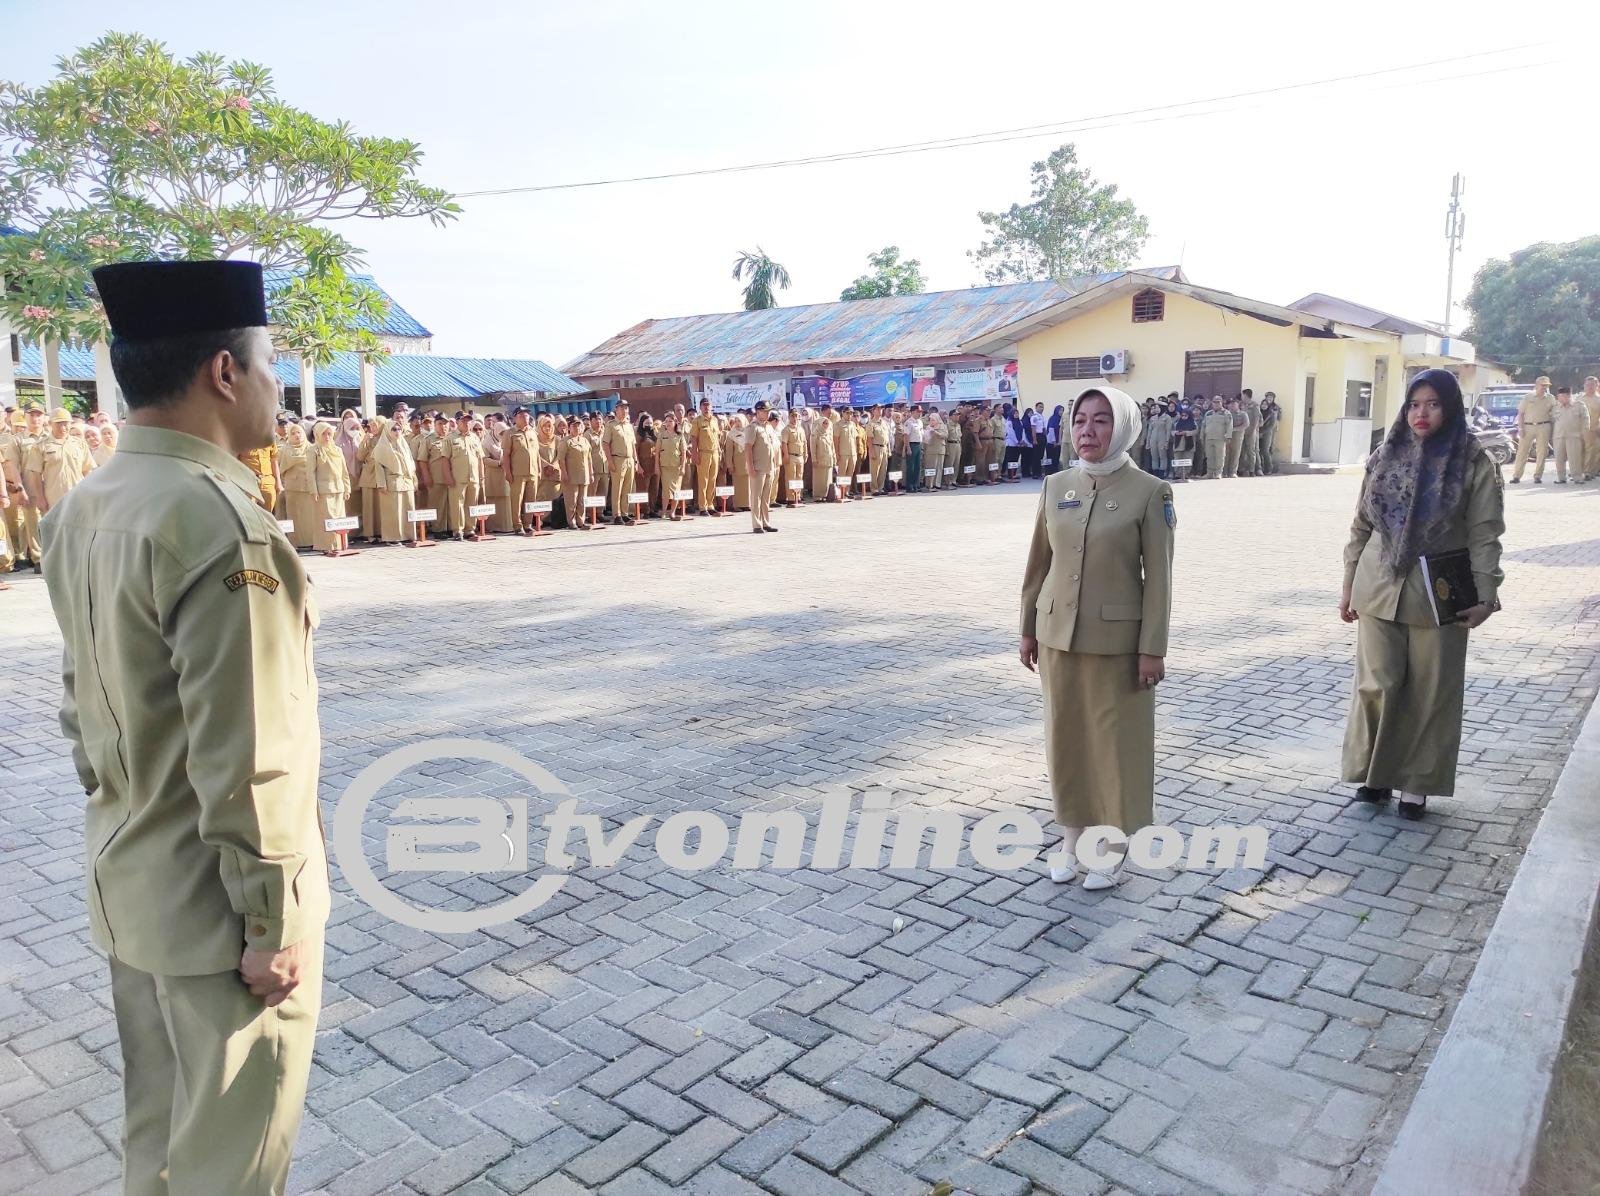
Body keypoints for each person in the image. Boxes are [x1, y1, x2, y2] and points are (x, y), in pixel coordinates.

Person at [41, 259, 328, 1194]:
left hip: (136, 885)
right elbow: (250, 753)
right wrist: (272, 917)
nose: (279, 387)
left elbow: (83, 708)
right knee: (231, 1164)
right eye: (270, 362)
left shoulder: (86, 506)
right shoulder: (215, 523)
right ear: (223, 372)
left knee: (160, 1146)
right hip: (219, 922)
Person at [1019, 383, 1174, 890]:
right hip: (1057, 636)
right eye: (1081, 420)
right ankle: (1071, 839)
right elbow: (1038, 565)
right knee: (1066, 742)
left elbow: (1160, 579)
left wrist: (1152, 648)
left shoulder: (1150, 492)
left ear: (1124, 426)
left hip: (1118, 646)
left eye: (1101, 420)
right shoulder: (1056, 484)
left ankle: (1110, 847)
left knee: (1115, 745)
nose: (1088, 430)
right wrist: (1027, 630)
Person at [1340, 369, 1504, 819]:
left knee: (1433, 691)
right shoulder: (1384, 455)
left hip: (1441, 593)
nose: (1421, 413)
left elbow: (1485, 533)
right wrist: (1348, 584)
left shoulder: (1473, 462)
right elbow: (1361, 525)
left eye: (1432, 403)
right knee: (1377, 685)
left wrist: (1487, 595)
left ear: (1450, 407)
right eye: (1414, 403)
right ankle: (1374, 777)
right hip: (1377, 587)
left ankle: (1417, 784)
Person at [25, 407, 96, 514]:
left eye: (66, 423)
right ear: (50, 424)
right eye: (58, 423)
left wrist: (90, 492)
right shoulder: (40, 446)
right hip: (53, 498)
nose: (63, 427)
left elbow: (87, 470)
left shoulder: (79, 444)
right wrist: (40, 498)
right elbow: (36, 475)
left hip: (78, 496)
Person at [371, 416, 417, 543]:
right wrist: (381, 484)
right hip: (391, 483)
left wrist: (414, 480)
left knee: (407, 509)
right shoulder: (381, 447)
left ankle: (408, 535)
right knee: (393, 511)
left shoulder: (403, 445)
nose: (397, 432)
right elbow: (378, 467)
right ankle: (393, 537)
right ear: (387, 431)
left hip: (406, 482)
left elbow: (411, 464)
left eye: (399, 429)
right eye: (394, 429)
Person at [309, 420, 352, 555]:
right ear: (317, 435)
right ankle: (325, 544)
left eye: (329, 434)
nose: (327, 437)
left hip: (338, 488)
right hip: (323, 489)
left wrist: (347, 488)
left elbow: (344, 471)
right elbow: (311, 472)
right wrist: (313, 490)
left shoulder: (337, 449)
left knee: (338, 517)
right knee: (326, 518)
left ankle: (338, 544)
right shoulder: (313, 450)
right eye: (324, 434)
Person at [1509, 375, 1556, 484]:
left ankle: (1538, 476)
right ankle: (1517, 476)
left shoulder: (1550, 398)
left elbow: (1554, 412)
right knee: (1522, 452)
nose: (1544, 387)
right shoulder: (1528, 397)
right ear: (1536, 385)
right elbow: (1520, 413)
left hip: (1544, 426)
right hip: (1528, 426)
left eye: (1546, 386)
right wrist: (1520, 428)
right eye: (1542, 385)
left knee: (1542, 452)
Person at [278, 421, 316, 549]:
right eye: (293, 433)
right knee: (294, 516)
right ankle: (296, 542)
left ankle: (311, 541)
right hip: (292, 487)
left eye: (299, 432)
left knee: (309, 516)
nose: (297, 435)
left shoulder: (310, 447)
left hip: (308, 487)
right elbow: (281, 467)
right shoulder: (284, 449)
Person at [746, 406, 782, 533]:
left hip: (769, 467)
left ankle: (766, 522)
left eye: (768, 411)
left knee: (766, 497)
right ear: (758, 412)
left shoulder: (768, 427)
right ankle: (757, 524)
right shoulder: (753, 427)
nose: (767, 413)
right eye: (765, 411)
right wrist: (750, 467)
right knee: (756, 497)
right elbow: (748, 448)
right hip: (758, 467)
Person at [504, 407, 539, 534]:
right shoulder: (510, 433)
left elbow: (536, 453)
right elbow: (506, 455)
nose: (525, 418)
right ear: (515, 418)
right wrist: (507, 472)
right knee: (517, 500)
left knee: (531, 499)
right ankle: (517, 525)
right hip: (517, 473)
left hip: (533, 472)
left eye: (527, 416)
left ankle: (528, 523)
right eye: (522, 416)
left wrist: (538, 470)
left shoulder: (533, 432)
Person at [606, 399, 639, 524]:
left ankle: (624, 512)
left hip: (629, 459)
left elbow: (633, 445)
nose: (624, 410)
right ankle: (617, 514)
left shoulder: (629, 426)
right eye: (621, 408)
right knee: (617, 488)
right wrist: (610, 461)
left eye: (626, 408)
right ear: (616, 409)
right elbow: (605, 444)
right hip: (617, 458)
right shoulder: (611, 425)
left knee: (627, 487)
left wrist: (636, 462)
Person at [560, 414, 595, 530]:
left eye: (579, 426)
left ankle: (581, 521)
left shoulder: (584, 440)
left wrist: (591, 473)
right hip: (571, 475)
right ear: (569, 427)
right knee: (572, 500)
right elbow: (561, 459)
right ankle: (571, 521)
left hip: (584, 475)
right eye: (574, 426)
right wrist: (564, 473)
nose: (577, 428)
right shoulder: (565, 441)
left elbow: (589, 457)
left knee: (582, 500)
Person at [1551, 386, 1590, 483]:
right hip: (1558, 436)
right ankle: (1561, 478)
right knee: (1559, 458)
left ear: (1568, 396)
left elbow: (1586, 419)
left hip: (1574, 436)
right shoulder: (1555, 407)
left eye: (1561, 397)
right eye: (1558, 397)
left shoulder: (1579, 405)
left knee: (1575, 458)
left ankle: (1577, 477)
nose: (1559, 399)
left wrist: (1584, 432)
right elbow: (1552, 421)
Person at [691, 399, 721, 515]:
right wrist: (694, 454)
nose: (706, 408)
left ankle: (710, 504)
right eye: (704, 406)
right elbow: (694, 439)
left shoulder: (714, 420)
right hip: (703, 453)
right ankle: (702, 506)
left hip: (714, 453)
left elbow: (716, 437)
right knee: (703, 480)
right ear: (700, 407)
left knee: (712, 480)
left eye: (708, 405)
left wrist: (719, 452)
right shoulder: (697, 421)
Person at [657, 412, 687, 520]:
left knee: (676, 490)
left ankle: (672, 512)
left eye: (671, 421)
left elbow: (683, 452)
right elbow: (657, 452)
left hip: (676, 466)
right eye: (667, 421)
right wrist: (657, 466)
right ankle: (664, 511)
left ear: (675, 422)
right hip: (665, 466)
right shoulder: (661, 435)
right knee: (666, 490)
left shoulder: (680, 435)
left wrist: (683, 467)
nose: (668, 423)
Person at [810, 406, 839, 501]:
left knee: (827, 479)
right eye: (824, 423)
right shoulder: (815, 433)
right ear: (820, 423)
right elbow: (813, 448)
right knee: (819, 479)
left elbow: (832, 447)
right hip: (819, 460)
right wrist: (814, 459)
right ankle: (818, 496)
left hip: (828, 459)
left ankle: (826, 495)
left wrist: (834, 458)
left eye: (827, 423)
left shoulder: (828, 434)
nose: (826, 425)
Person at [1200, 398, 1232, 480]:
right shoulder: (1208, 413)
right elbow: (1203, 425)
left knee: (1219, 456)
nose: (1216, 404)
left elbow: (1229, 425)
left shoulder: (1226, 413)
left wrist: (1228, 436)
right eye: (1214, 402)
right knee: (1209, 456)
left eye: (1218, 403)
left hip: (1220, 438)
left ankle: (1218, 473)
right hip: (1209, 438)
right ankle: (1210, 473)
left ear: (1221, 403)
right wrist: (1201, 435)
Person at [782, 407, 808, 505]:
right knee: (790, 477)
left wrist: (806, 453)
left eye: (796, 416)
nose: (794, 418)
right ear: (789, 417)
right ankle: (791, 498)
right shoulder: (786, 429)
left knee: (799, 476)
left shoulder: (801, 429)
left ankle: (798, 496)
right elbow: (784, 444)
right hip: (791, 456)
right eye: (792, 416)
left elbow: (804, 442)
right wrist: (786, 456)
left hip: (800, 456)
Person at [1143, 400, 1172, 479]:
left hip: (1162, 439)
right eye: (1155, 407)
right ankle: (1155, 474)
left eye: (1157, 407)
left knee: (1163, 457)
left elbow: (1168, 431)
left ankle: (1161, 474)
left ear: (1162, 408)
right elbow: (1149, 431)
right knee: (1154, 457)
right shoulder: (1153, 418)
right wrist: (1148, 442)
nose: (1156, 409)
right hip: (1153, 439)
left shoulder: (1167, 418)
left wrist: (1166, 442)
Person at [1239, 389, 1262, 477]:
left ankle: (1251, 470)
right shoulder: (1242, 405)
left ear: (1245, 395)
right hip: (1242, 431)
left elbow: (1256, 419)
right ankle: (1241, 469)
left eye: (1242, 395)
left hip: (1251, 431)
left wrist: (1253, 431)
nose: (1242, 397)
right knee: (1242, 451)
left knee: (1251, 451)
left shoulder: (1255, 405)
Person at [1582, 376, 1600, 481]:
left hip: (1593, 430)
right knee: (1579, 452)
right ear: (1584, 385)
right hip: (1579, 431)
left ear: (1597, 386)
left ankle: (1589, 472)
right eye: (1587, 385)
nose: (1590, 387)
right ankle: (1579, 471)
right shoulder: (1579, 399)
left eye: (1592, 385)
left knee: (1592, 451)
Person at [1224, 397, 1247, 478]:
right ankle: (1224, 472)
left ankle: (1233, 472)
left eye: (1234, 404)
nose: (1232, 405)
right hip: (1226, 437)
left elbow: (1245, 425)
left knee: (1235, 455)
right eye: (1230, 404)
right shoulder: (1226, 414)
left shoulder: (1243, 414)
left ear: (1238, 405)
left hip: (1237, 437)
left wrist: (1233, 429)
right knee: (1225, 454)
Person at [1259, 392, 1281, 475]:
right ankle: (1261, 468)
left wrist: (1263, 432)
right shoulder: (1259, 411)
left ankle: (1269, 468)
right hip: (1259, 433)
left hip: (1269, 433)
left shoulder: (1273, 410)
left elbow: (1273, 424)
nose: (1269, 399)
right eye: (1268, 397)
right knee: (1259, 451)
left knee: (1266, 450)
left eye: (1271, 397)